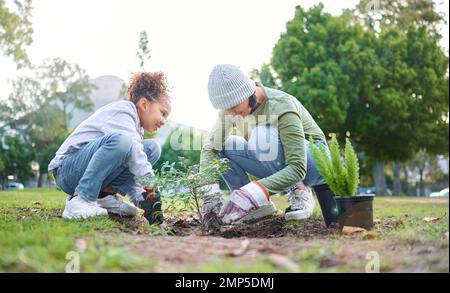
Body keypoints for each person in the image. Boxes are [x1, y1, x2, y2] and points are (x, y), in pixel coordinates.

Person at [200, 64, 338, 231]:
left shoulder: (281, 105)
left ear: (247, 93)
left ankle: (301, 193)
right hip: (275, 162)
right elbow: (210, 148)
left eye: (234, 107)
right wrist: (209, 193)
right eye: (226, 109)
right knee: (224, 146)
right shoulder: (231, 110)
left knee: (261, 137)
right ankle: (256, 208)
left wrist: (254, 192)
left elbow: (297, 167)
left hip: (314, 161)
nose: (231, 113)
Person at [48, 72, 171, 224]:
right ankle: (80, 200)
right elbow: (137, 158)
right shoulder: (123, 112)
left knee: (151, 148)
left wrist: (143, 200)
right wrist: (152, 190)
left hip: (84, 171)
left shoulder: (136, 128)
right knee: (123, 141)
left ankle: (104, 197)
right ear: (144, 104)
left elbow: (133, 167)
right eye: (163, 113)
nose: (165, 121)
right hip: (67, 170)